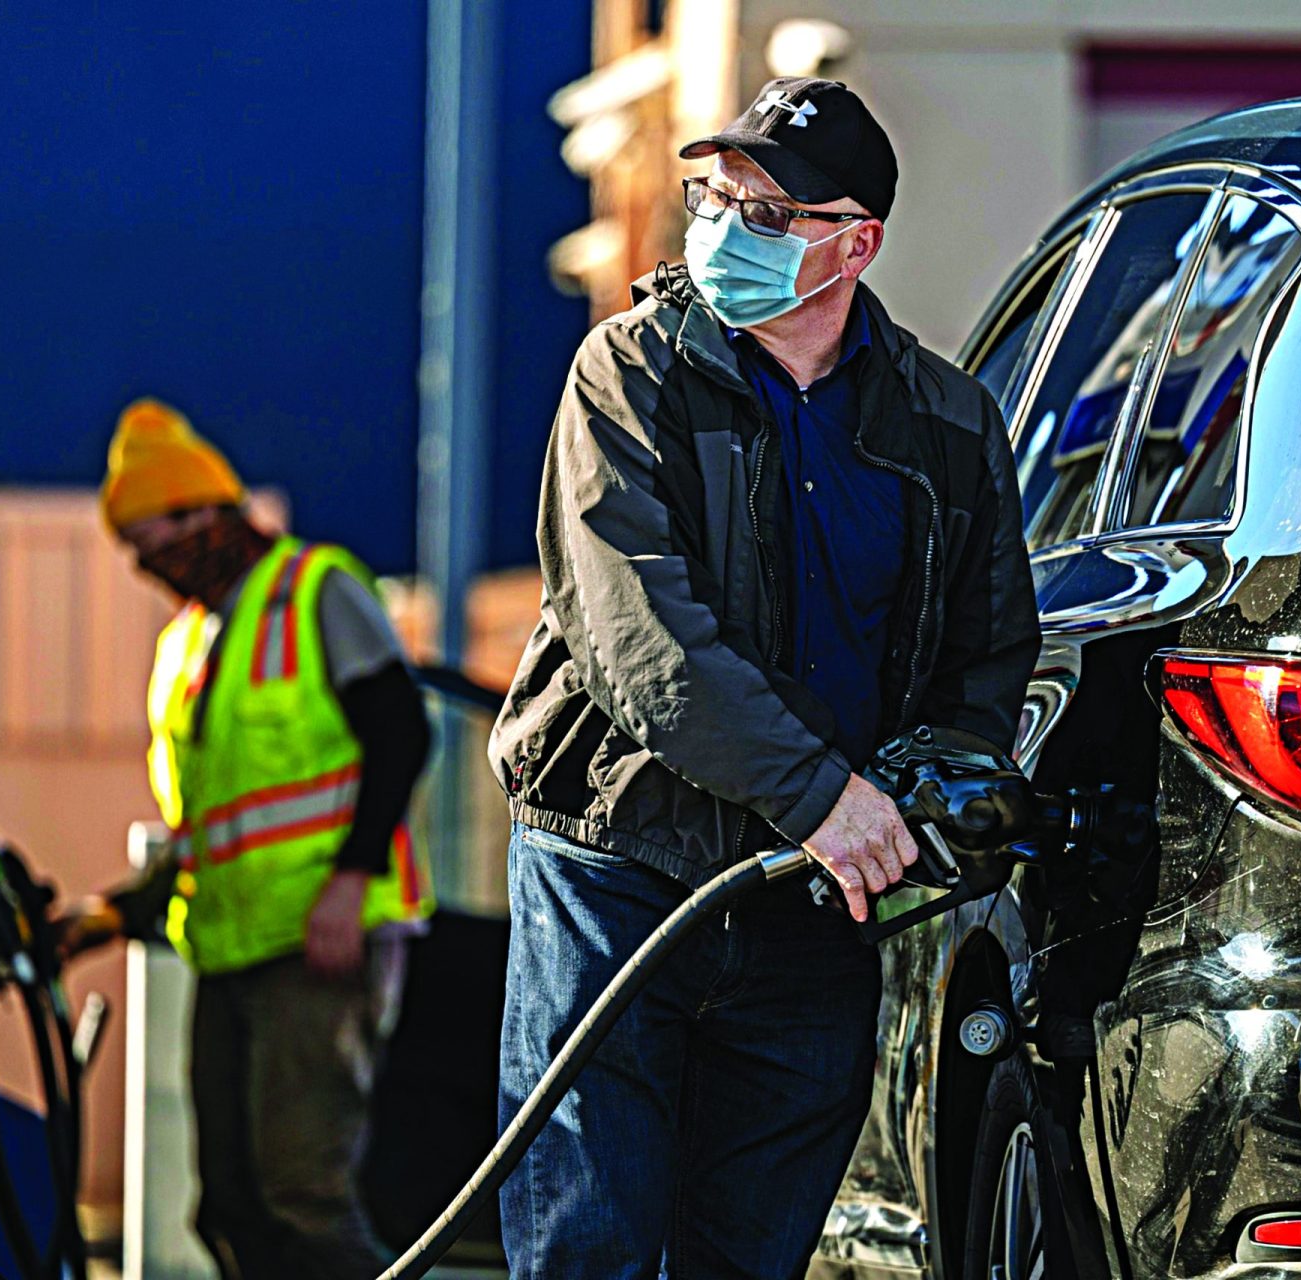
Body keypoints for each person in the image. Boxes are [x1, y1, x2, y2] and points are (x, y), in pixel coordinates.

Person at [489, 77, 1040, 1278]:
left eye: (767, 210)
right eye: (716, 194)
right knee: (589, 1240)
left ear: (857, 244)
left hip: (809, 901)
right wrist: (824, 800)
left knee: (757, 1251)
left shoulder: (944, 422)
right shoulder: (626, 375)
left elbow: (987, 652)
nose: (724, 226)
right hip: (619, 868)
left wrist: (926, 784)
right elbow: (641, 634)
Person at [58, 399, 434, 1280]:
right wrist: (108, 917)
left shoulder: (317, 590)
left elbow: (401, 734)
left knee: (299, 1199)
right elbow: (209, 831)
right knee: (227, 1200)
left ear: (211, 513)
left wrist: (348, 883)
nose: (158, 564)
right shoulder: (189, 645)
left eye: (166, 535)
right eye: (142, 552)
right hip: (230, 950)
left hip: (320, 945)